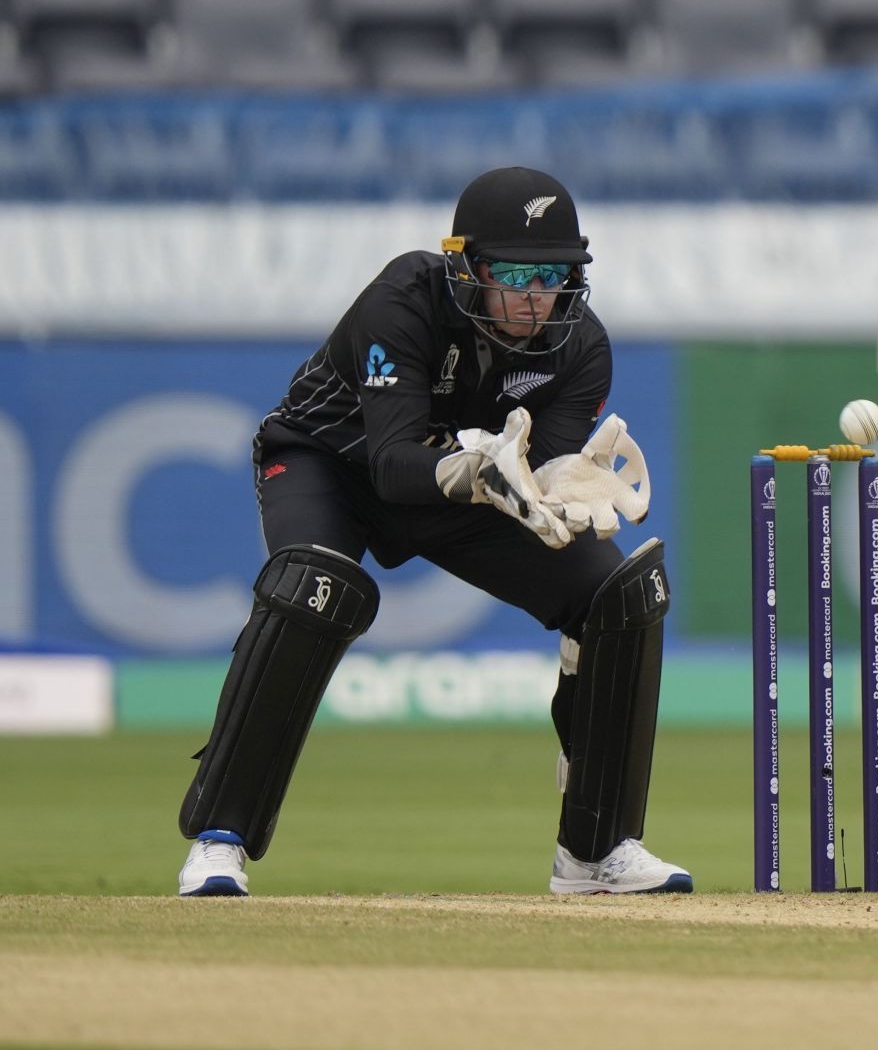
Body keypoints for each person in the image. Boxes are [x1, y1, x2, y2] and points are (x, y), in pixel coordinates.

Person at [176, 167, 689, 897]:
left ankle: (596, 852)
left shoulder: (580, 349)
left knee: (617, 592)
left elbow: (541, 479)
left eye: (554, 274)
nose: (534, 296)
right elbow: (390, 463)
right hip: (330, 461)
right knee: (311, 585)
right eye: (514, 273)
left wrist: (563, 490)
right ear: (465, 265)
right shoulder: (403, 301)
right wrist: (481, 472)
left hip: (462, 483)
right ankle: (218, 842)